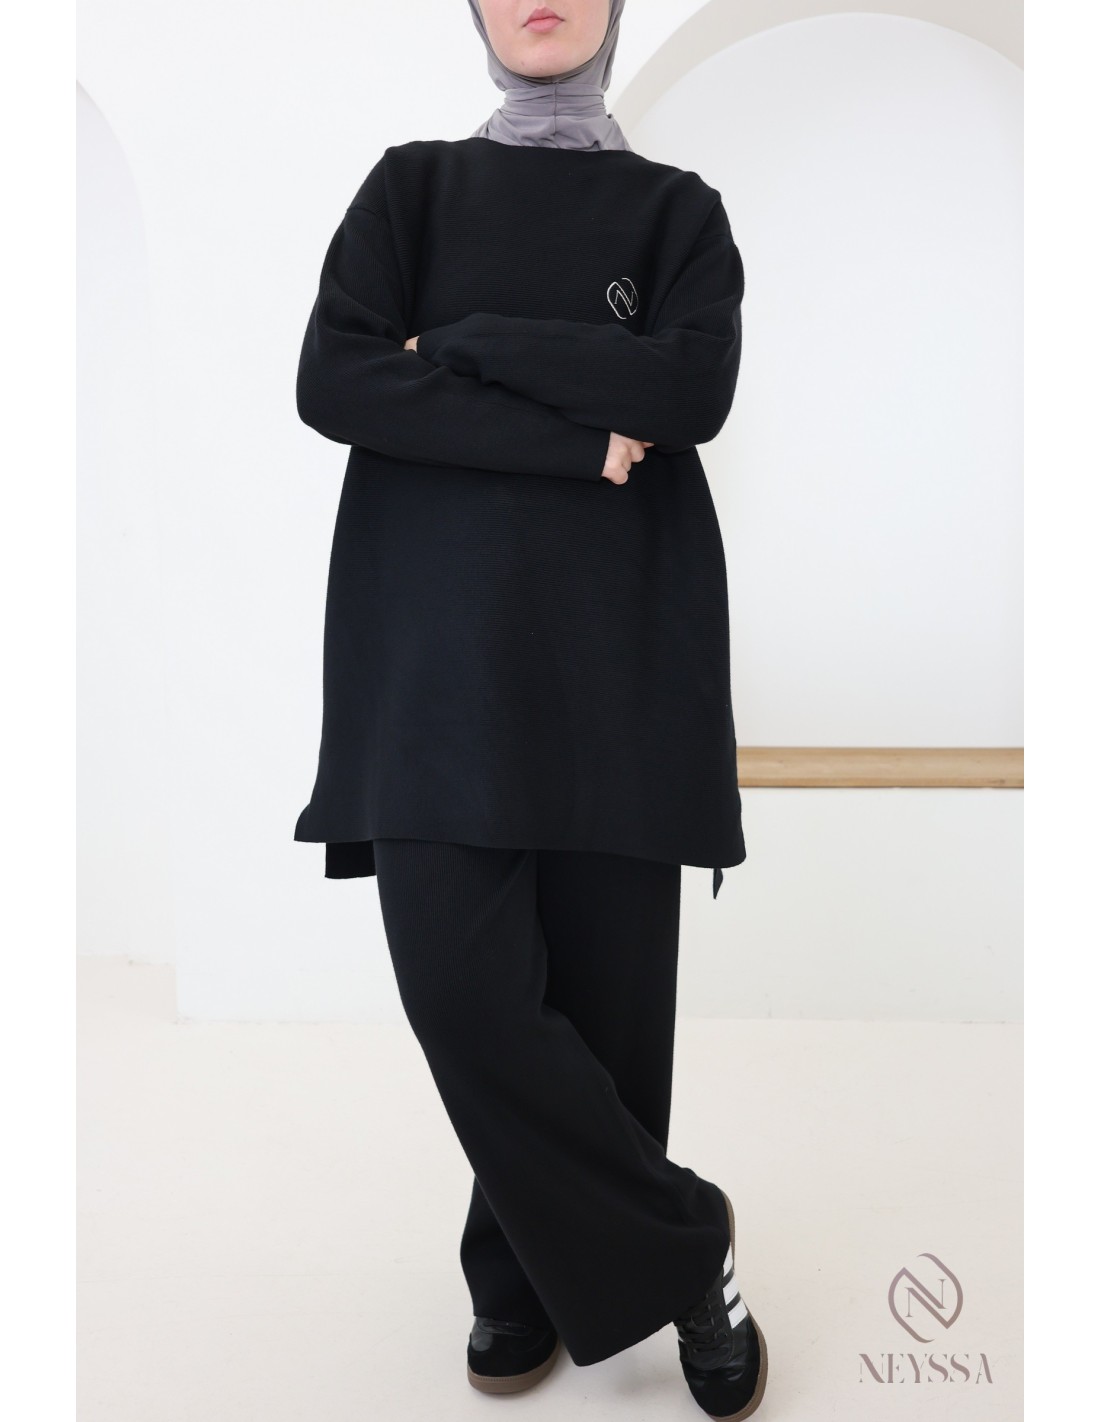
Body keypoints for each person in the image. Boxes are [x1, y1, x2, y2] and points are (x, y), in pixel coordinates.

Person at [292, 2, 766, 1416]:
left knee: (609, 1022)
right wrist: (572, 430)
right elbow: (335, 376)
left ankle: (520, 1280)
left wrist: (464, 342)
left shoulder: (676, 212)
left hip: (623, 656)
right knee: (464, 990)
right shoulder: (413, 190)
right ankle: (686, 1246)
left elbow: (693, 387)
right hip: (433, 667)